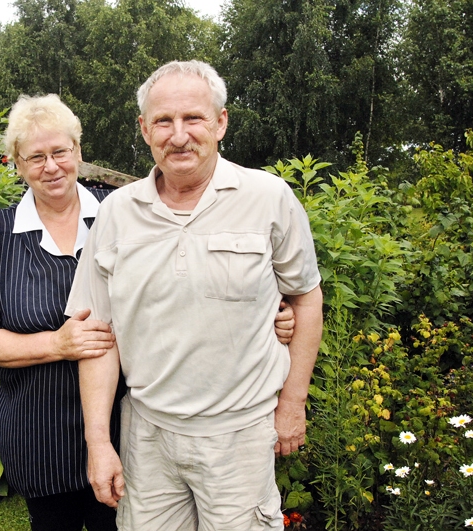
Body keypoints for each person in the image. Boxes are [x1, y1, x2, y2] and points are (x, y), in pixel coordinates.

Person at [0, 93, 297, 531]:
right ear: (17, 164)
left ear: (78, 151)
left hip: (126, 423)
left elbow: (189, 283)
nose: (51, 166)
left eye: (60, 151)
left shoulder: (122, 211)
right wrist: (57, 343)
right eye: (35, 157)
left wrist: (267, 309)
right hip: (40, 427)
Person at [66, 60, 324, 530]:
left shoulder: (269, 198)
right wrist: (99, 443)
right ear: (144, 129)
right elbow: (97, 335)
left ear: (221, 122)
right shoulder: (116, 214)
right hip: (148, 439)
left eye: (194, 118)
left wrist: (292, 404)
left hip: (239, 437)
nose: (178, 135)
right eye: (163, 121)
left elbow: (305, 298)